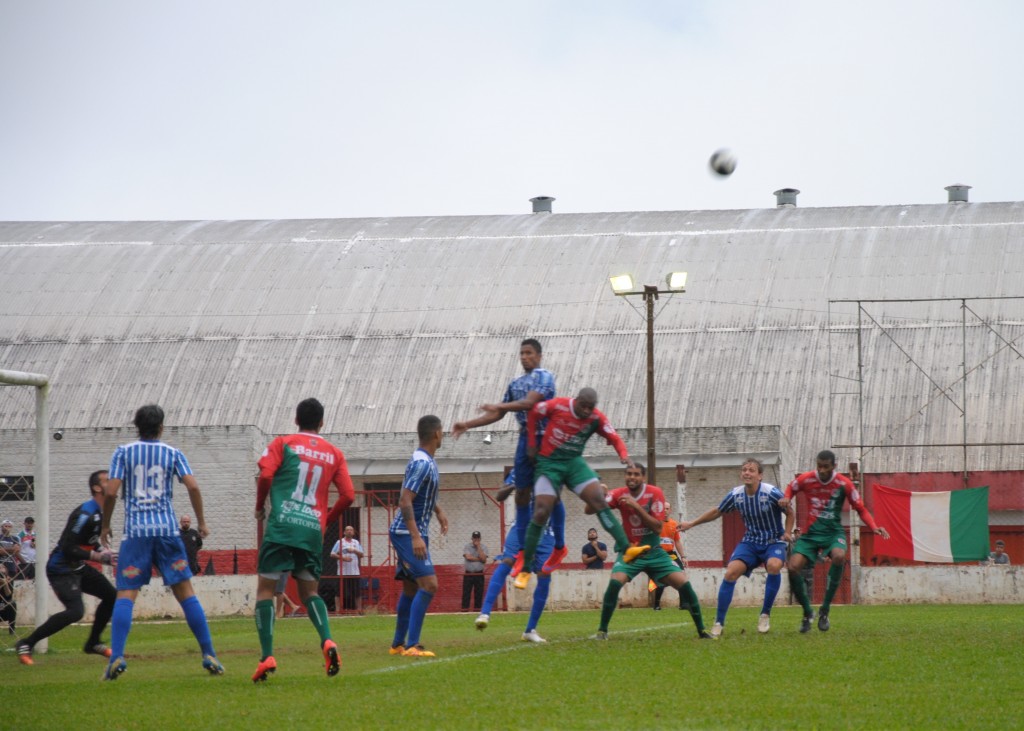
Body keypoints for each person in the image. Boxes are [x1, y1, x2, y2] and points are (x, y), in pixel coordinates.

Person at [100, 404, 224, 680]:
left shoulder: (123, 453)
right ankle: (209, 654)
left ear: (136, 426)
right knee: (185, 593)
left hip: (136, 534)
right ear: (161, 427)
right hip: (167, 532)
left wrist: (106, 524)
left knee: (126, 594)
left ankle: (117, 656)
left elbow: (111, 491)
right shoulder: (173, 453)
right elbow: (192, 486)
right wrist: (201, 522)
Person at [251, 397, 356, 683]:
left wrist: (260, 506)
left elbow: (265, 476)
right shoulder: (334, 453)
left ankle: (267, 656)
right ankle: (327, 641)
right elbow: (348, 496)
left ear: (296, 419)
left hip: (282, 527)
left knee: (265, 591)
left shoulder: (281, 443)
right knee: (310, 592)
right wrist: (327, 520)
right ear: (322, 423)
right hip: (311, 530)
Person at [451, 338, 569, 574]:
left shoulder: (544, 377)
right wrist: (468, 424)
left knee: (551, 495)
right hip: (525, 439)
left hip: (546, 438)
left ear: (539, 355)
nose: (524, 357)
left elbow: (528, 403)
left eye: (529, 353)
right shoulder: (515, 382)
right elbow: (497, 414)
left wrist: (500, 406)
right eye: (522, 353)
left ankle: (559, 545)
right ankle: (524, 551)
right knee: (522, 495)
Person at [515, 387, 643, 590]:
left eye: (590, 408)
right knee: (540, 512)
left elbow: (615, 437)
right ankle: (525, 569)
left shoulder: (595, 418)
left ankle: (627, 549)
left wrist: (623, 454)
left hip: (574, 464)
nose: (586, 411)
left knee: (599, 500)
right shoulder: (558, 405)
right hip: (549, 464)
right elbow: (533, 412)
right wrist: (531, 443)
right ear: (576, 401)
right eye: (584, 406)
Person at [588, 464, 710, 640]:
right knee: (615, 583)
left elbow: (657, 526)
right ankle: (602, 631)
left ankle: (702, 631)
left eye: (636, 474)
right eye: (629, 474)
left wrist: (636, 506)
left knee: (684, 584)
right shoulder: (618, 493)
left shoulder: (655, 493)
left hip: (655, 552)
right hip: (631, 552)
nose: (632, 477)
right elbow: (592, 509)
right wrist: (598, 495)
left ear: (643, 477)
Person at [679, 458, 794, 638]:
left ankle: (765, 614)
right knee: (730, 572)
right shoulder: (736, 495)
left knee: (773, 566)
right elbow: (718, 511)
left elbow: (790, 512)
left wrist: (787, 532)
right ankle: (718, 622)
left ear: (760, 475)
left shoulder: (771, 492)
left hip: (773, 541)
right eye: (744, 470)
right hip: (750, 542)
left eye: (752, 470)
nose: (747, 473)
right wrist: (692, 523)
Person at [15, 471, 117, 665]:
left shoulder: (101, 513)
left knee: (111, 595)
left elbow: (89, 544)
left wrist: (105, 553)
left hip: (78, 566)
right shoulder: (85, 513)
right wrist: (97, 556)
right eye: (108, 480)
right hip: (61, 568)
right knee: (76, 611)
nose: (114, 482)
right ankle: (26, 643)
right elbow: (69, 547)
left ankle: (93, 643)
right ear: (97, 487)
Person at [783, 450, 890, 632]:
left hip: (833, 532)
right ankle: (808, 612)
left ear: (834, 466)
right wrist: (786, 497)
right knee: (793, 567)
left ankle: (825, 610)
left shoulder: (844, 483)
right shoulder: (807, 479)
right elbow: (791, 487)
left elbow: (860, 508)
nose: (822, 470)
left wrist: (873, 527)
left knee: (839, 556)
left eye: (826, 467)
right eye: (819, 466)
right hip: (810, 534)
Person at [389, 415, 449, 658]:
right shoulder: (423, 463)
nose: (443, 435)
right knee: (430, 584)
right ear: (436, 434)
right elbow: (405, 500)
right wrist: (415, 537)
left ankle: (397, 645)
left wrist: (438, 510)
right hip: (406, 533)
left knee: (411, 589)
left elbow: (420, 494)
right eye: (442, 431)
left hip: (410, 531)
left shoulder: (425, 461)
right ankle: (412, 645)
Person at [475, 481, 554, 643]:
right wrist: (514, 485)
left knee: (544, 574)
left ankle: (530, 630)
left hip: (546, 532)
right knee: (507, 560)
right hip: (521, 527)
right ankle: (484, 613)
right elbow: (500, 495)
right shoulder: (522, 468)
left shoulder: (554, 468)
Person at [652, 501, 688, 610]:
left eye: (667, 508)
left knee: (681, 575)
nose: (665, 511)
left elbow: (677, 541)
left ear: (670, 510)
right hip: (659, 554)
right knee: (660, 580)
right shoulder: (656, 523)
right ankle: (656, 605)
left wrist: (683, 556)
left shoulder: (674, 524)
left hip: (671, 554)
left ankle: (683, 604)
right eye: (663, 508)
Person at [330, 525, 365, 611]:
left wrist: (354, 550)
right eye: (347, 530)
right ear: (344, 532)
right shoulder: (339, 542)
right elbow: (332, 554)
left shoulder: (356, 542)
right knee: (339, 592)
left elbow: (361, 555)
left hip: (355, 572)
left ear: (353, 532)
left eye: (351, 530)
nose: (349, 531)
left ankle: (359, 610)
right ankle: (338, 610)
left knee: (357, 593)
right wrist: (343, 558)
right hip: (342, 572)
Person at [461, 531, 489, 612]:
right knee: (466, 594)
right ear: (472, 538)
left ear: (480, 539)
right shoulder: (467, 546)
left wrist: (478, 547)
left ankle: (477, 611)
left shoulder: (483, 547)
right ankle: (464, 611)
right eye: (474, 538)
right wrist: (479, 559)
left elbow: (484, 559)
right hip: (468, 573)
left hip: (479, 573)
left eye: (477, 538)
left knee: (479, 594)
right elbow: (468, 557)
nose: (475, 540)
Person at [0, 563, 15, 634]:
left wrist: (5, 584)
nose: (1, 570)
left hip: (3, 607)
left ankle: (11, 630)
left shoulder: (9, 580)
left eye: (2, 567)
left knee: (13, 603)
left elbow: (9, 597)